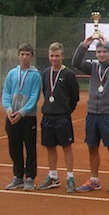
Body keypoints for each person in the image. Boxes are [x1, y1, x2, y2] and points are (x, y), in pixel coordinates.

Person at [72, 32, 109, 196]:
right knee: (92, 147)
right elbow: (75, 62)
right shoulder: (93, 67)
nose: (102, 54)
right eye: (99, 52)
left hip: (108, 114)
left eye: (104, 51)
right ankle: (94, 179)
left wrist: (107, 44)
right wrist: (84, 45)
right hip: (92, 113)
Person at [37, 42, 80, 192]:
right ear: (48, 57)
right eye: (52, 56)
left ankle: (70, 177)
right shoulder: (45, 73)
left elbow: (74, 97)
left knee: (66, 147)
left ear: (63, 56)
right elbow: (46, 92)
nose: (54, 59)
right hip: (48, 116)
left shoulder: (68, 74)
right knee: (50, 147)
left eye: (57, 56)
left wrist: (66, 110)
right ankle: (53, 176)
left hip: (63, 117)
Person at [2, 43, 42, 191]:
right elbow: (6, 93)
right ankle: (18, 176)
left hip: (28, 118)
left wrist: (22, 112)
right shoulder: (12, 73)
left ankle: (30, 177)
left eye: (27, 54)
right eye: (22, 54)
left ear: (32, 56)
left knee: (30, 148)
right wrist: (9, 109)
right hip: (12, 116)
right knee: (14, 147)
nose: (24, 57)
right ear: (18, 55)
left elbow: (34, 97)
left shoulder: (35, 75)